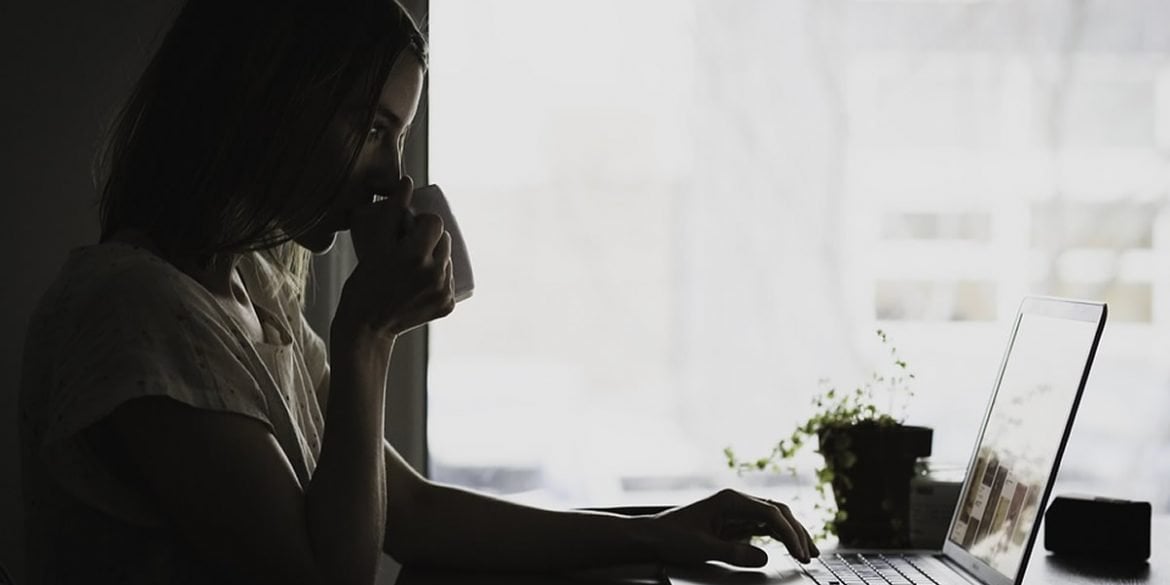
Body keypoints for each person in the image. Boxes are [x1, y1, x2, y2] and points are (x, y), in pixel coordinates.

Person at [18, 1, 819, 583]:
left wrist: (658, 531)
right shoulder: (132, 309)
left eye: (396, 135)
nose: (394, 173)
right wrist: (367, 335)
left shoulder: (252, 298)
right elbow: (328, 577)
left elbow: (414, 511)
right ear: (268, 102)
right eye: (371, 125)